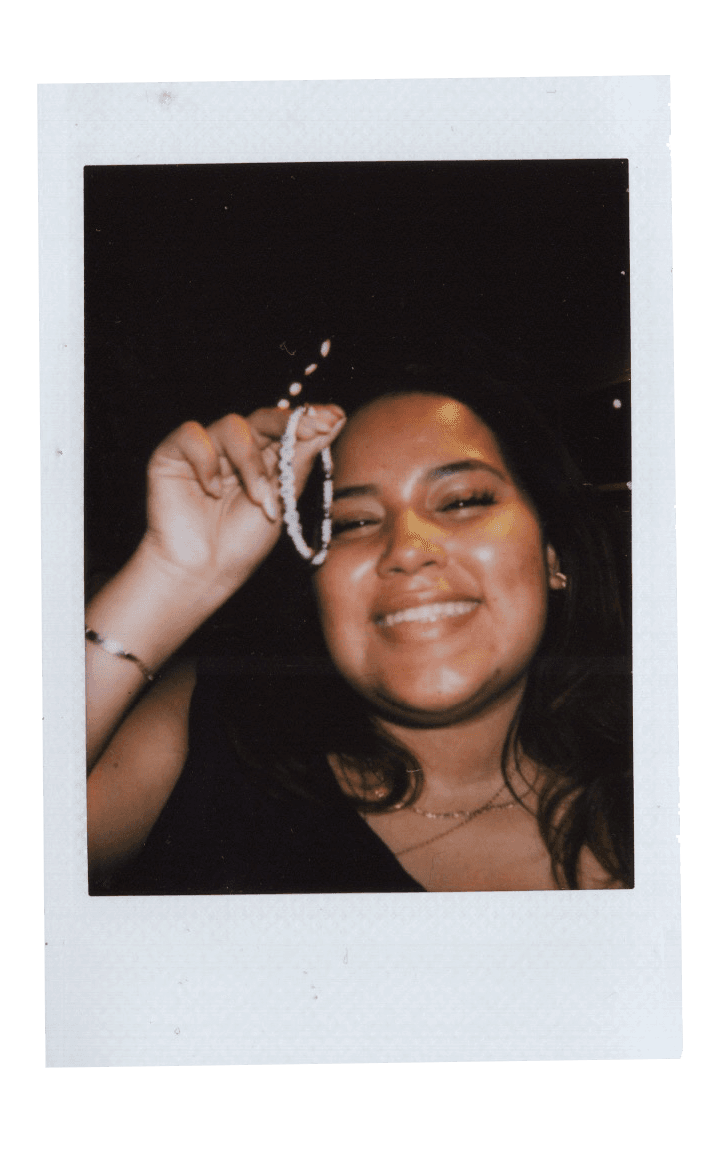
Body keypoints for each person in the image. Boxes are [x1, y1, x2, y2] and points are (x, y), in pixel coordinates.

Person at [85, 367, 633, 894]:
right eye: (353, 523)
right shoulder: (208, 734)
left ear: (552, 554)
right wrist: (172, 576)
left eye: (463, 501)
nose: (407, 549)